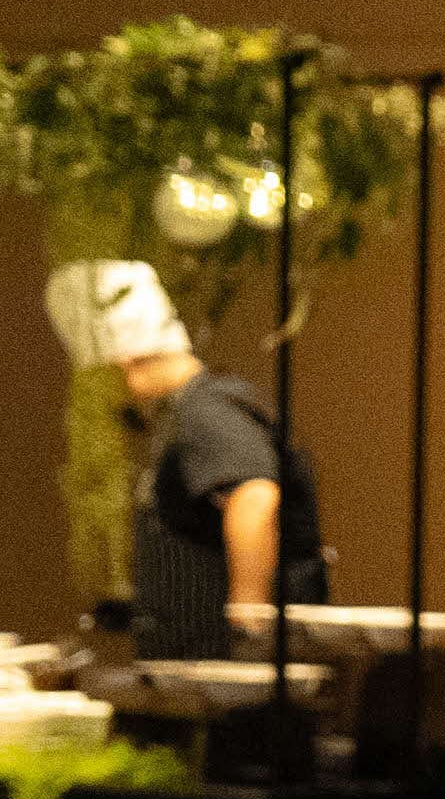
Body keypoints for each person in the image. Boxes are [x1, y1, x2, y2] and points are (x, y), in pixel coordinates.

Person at [46, 258, 326, 663]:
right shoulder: (190, 412)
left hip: (225, 672)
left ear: (124, 364)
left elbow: (254, 496)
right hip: (196, 660)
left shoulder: (207, 412)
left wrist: (249, 618)